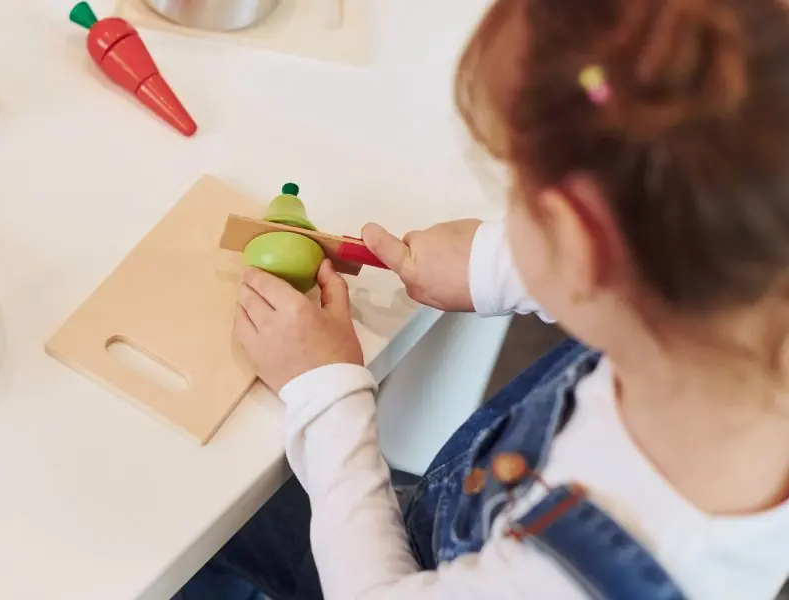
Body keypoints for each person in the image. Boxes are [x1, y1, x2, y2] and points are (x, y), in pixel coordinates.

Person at [176, 0, 789, 597]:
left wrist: (326, 386)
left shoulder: (565, 578)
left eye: (516, 187)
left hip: (409, 572)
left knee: (193, 521)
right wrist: (494, 264)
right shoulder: (735, 315)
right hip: (470, 514)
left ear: (581, 247)